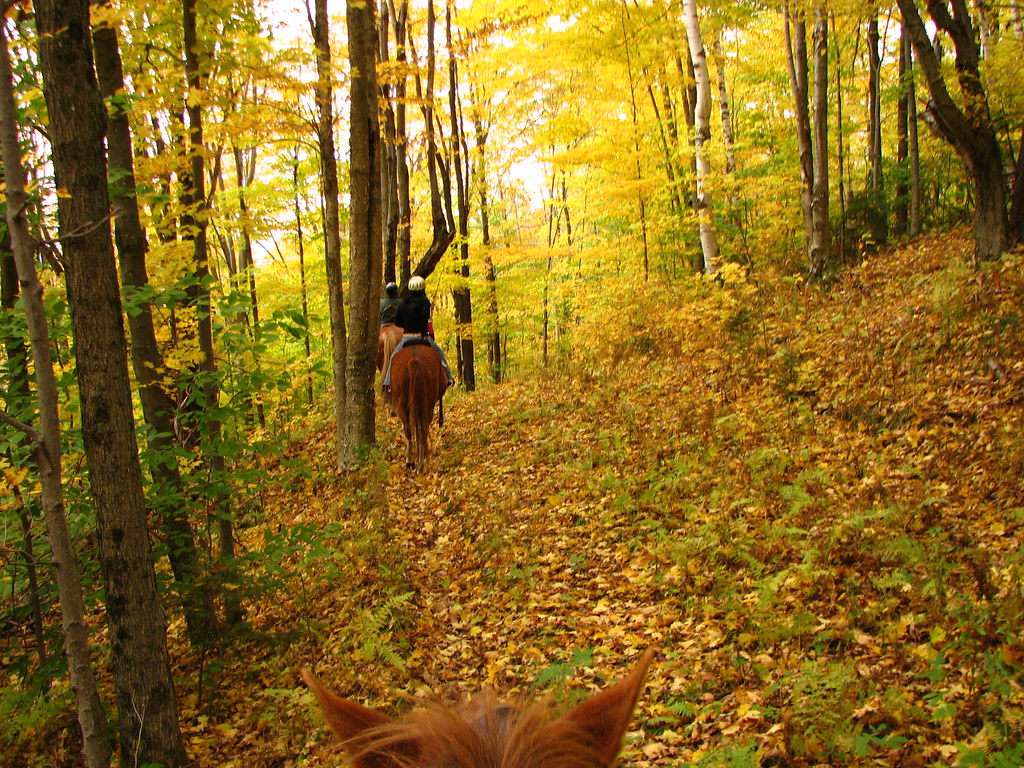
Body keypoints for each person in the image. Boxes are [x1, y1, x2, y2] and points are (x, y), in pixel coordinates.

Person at [383, 275, 455, 389]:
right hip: (421, 337)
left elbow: (398, 323)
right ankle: (449, 378)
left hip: (406, 338)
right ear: (422, 288)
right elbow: (424, 319)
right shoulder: (425, 302)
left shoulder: (403, 303)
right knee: (440, 354)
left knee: (393, 357)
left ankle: (388, 383)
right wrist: (424, 335)